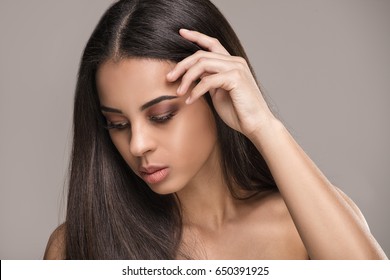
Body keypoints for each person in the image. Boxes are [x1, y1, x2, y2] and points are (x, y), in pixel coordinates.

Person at [44, 0, 387, 260]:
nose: (138, 144)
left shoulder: (305, 222)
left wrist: (263, 125)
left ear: (214, 91)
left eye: (162, 115)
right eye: (117, 124)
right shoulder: (78, 245)